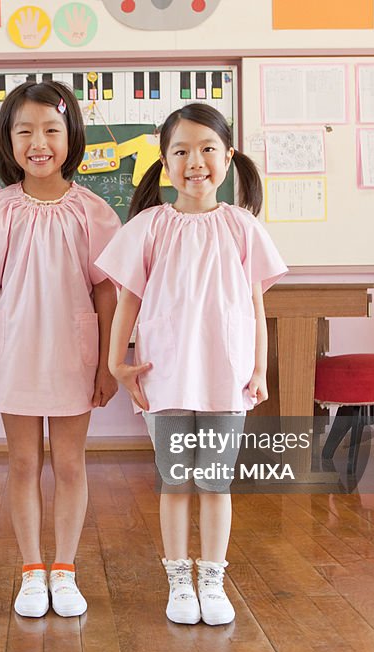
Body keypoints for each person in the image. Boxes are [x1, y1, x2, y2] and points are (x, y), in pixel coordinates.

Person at [96, 103, 287, 625]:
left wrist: (259, 370)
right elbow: (128, 301)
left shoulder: (242, 227)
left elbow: (255, 305)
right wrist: (118, 361)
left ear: (229, 157)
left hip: (226, 378)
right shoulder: (149, 227)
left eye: (207, 148)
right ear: (163, 161)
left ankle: (212, 579)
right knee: (177, 480)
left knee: (216, 482)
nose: (194, 161)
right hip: (166, 373)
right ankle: (179, 580)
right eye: (180, 150)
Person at [0, 81, 121, 618]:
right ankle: (32, 570)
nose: (39, 141)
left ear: (70, 135)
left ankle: (65, 569)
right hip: (15, 351)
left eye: (51, 129)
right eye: (24, 130)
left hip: (74, 354)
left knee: (70, 464)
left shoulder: (94, 212)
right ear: (8, 140)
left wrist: (107, 363)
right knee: (24, 462)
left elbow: (106, 291)